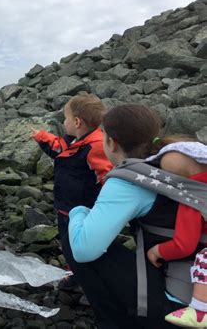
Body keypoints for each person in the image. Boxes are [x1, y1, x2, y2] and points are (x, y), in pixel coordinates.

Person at [62, 104, 196, 329]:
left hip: (180, 311)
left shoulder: (130, 179)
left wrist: (78, 211)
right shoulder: (175, 163)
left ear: (111, 142)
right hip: (200, 288)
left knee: (74, 239)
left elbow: (85, 249)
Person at [30, 93, 112, 289]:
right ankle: (74, 270)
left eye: (65, 119)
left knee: (80, 243)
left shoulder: (96, 146)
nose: (63, 123)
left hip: (83, 210)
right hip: (65, 205)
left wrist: (105, 209)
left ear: (76, 122)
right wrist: (41, 136)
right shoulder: (74, 140)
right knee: (67, 243)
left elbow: (108, 178)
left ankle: (83, 277)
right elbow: (58, 147)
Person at [142, 140, 207, 327]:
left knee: (203, 260)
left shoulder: (192, 197)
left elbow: (184, 245)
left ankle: (199, 311)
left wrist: (156, 251)